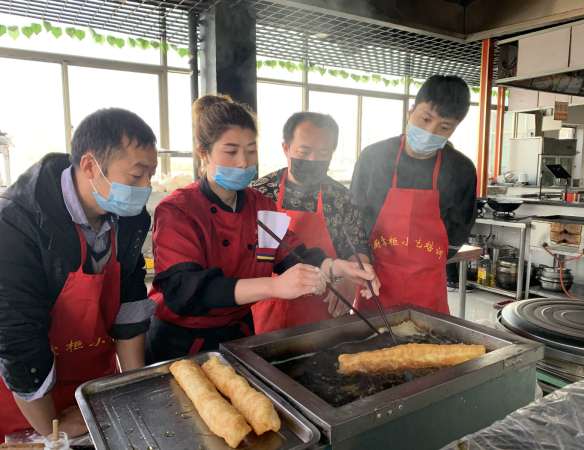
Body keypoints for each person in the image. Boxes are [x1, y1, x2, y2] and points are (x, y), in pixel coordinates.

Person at [147, 95, 378, 362]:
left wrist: (336, 267)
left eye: (251, 150)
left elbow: (292, 255)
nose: (243, 162)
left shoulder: (260, 205)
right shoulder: (178, 209)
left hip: (239, 336)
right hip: (180, 343)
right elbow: (184, 289)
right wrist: (273, 286)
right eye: (231, 151)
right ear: (203, 152)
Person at [0, 108, 158, 441]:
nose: (146, 187)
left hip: (91, 385)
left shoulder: (126, 216)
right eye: (137, 175)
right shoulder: (16, 225)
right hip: (30, 398)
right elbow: (18, 339)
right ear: (90, 166)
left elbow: (129, 298)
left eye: (151, 175)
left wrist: (132, 389)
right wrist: (52, 429)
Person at [350, 75, 477, 314]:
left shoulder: (461, 169)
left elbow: (460, 227)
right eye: (425, 119)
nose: (431, 131)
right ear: (411, 111)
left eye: (444, 127)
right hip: (375, 281)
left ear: (455, 128)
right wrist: (361, 260)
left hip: (427, 287)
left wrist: (428, 262)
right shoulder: (374, 157)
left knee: (427, 346)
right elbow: (353, 215)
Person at [251, 112, 370, 333]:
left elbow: (358, 246)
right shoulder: (260, 193)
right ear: (286, 148)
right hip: (267, 307)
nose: (313, 160)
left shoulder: (340, 198)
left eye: (323, 153)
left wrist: (350, 281)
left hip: (324, 311)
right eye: (304, 151)